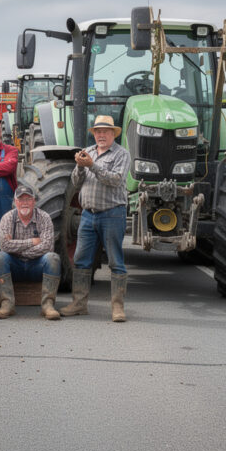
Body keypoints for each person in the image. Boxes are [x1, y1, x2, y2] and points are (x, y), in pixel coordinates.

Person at [59, 115, 131, 322]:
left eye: (105, 132)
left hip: (112, 213)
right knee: (81, 260)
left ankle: (118, 308)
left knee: (116, 261)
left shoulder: (121, 154)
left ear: (112, 134)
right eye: (97, 132)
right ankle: (79, 304)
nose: (100, 135)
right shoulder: (87, 152)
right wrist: (80, 166)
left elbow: (116, 180)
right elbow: (75, 180)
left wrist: (91, 165)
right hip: (88, 214)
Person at [0, 185, 61, 320]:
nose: (25, 203)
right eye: (21, 199)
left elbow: (47, 247)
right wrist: (31, 242)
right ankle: (7, 304)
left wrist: (18, 249)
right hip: (15, 266)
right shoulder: (7, 218)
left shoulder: (44, 217)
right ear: (15, 202)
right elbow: (4, 246)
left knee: (52, 258)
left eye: (28, 199)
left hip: (37, 266)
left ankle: (48, 305)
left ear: (34, 201)